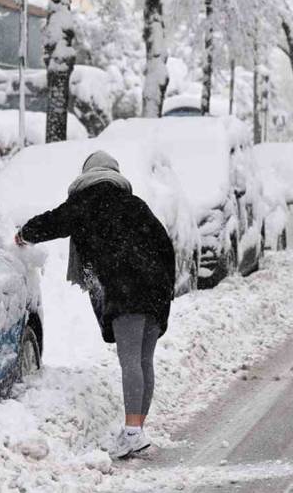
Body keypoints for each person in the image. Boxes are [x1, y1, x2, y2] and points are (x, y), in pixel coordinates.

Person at [15, 151, 176, 459]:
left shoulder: (87, 201)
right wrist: (165, 290)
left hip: (127, 288)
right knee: (144, 360)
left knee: (130, 360)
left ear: (87, 175)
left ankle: (133, 433)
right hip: (155, 289)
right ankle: (136, 431)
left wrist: (23, 234)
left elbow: (54, 222)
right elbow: (165, 245)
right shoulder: (136, 205)